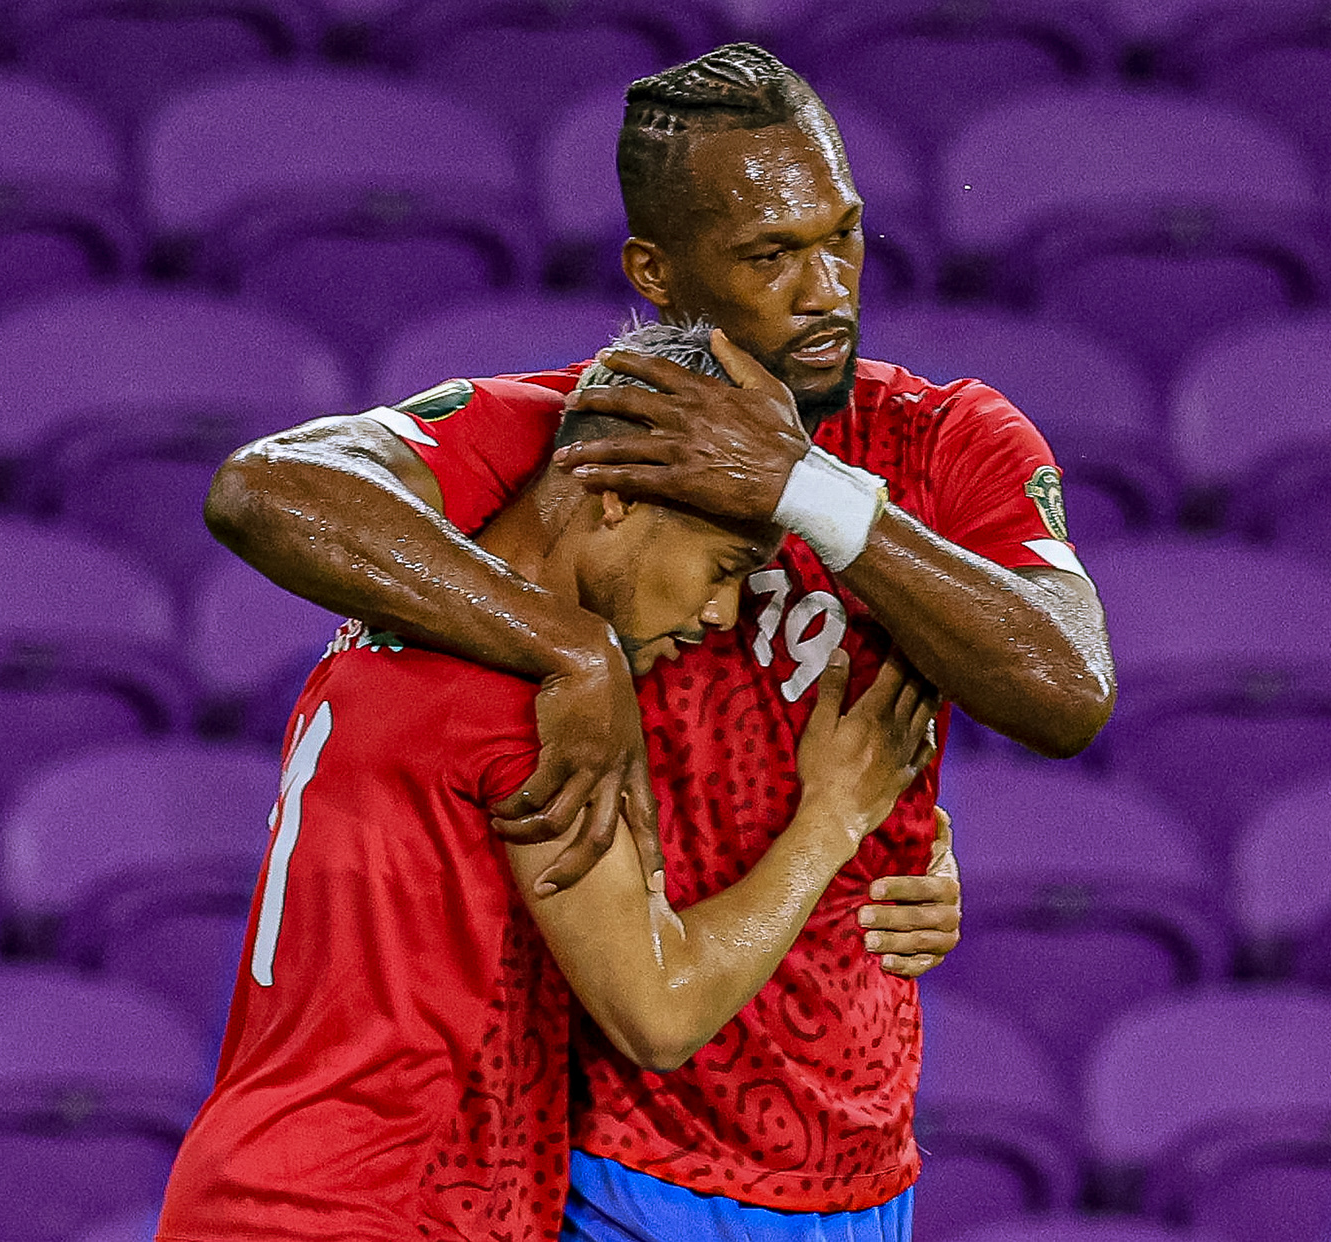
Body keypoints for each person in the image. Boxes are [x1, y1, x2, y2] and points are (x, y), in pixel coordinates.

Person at [199, 42, 1114, 1240]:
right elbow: (268, 491)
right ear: (658, 271)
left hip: (861, 1157)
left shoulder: (948, 441)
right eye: (769, 255)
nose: (826, 286)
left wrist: (805, 491)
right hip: (603, 1155)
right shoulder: (580, 440)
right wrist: (571, 653)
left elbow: (1069, 690)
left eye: (841, 237)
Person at [157, 322, 942, 1241]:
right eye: (725, 567)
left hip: (263, 1186)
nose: (723, 611)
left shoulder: (389, 623)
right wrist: (837, 820)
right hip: (379, 1209)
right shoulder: (528, 702)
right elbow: (661, 1008)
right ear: (612, 494)